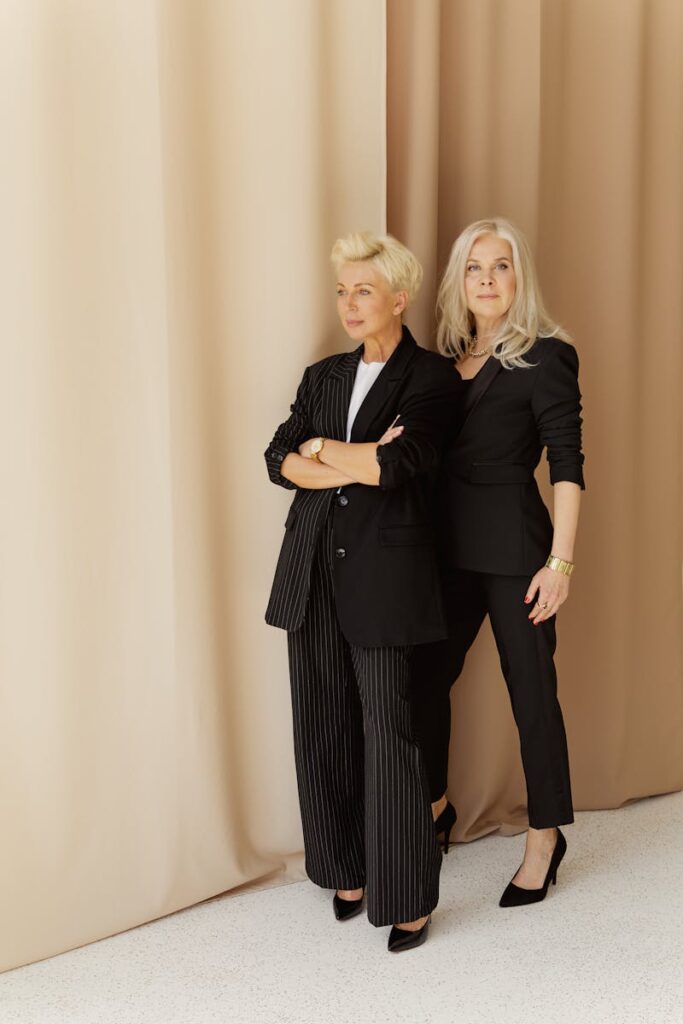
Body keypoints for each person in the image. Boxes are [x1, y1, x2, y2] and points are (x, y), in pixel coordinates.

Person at [264, 231, 462, 950]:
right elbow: (277, 458)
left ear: (399, 298)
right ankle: (345, 870)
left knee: (391, 735)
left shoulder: (433, 379)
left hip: (387, 575)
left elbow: (400, 465)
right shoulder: (322, 376)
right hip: (310, 567)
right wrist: (337, 455)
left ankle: (407, 894)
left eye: (364, 291)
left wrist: (324, 453)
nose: (349, 304)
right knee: (321, 725)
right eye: (343, 290)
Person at [410, 218, 584, 907]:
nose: (486, 279)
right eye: (474, 267)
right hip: (443, 553)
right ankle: (434, 808)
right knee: (420, 683)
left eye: (500, 266)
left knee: (531, 696)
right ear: (459, 280)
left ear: (519, 278)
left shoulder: (547, 355)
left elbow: (567, 468)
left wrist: (559, 564)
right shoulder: (442, 359)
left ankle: (544, 837)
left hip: (515, 551)